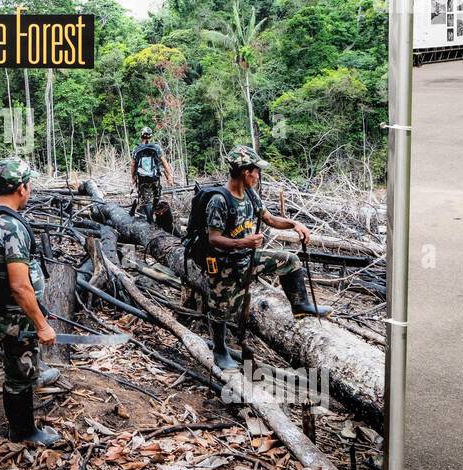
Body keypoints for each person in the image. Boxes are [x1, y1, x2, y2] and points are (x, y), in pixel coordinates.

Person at [190, 146, 330, 370]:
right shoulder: (219, 200)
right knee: (220, 310)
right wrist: (243, 242)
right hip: (224, 266)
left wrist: (295, 224)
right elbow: (214, 239)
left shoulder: (250, 194)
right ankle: (220, 349)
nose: (258, 176)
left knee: (289, 261)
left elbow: (270, 219)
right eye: (256, 171)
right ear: (246, 172)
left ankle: (301, 305)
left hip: (249, 257)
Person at [0, 157, 61, 446]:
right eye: (29, 186)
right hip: (14, 314)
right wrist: (42, 325)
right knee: (17, 375)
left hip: (2, 308)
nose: (29, 192)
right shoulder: (9, 226)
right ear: (21, 188)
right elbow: (19, 285)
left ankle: (34, 372)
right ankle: (23, 431)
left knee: (22, 360)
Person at [131, 126, 174, 223]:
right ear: (150, 137)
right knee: (156, 196)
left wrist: (133, 177)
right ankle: (153, 213)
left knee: (146, 201)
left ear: (141, 136)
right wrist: (169, 176)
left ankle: (150, 220)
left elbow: (133, 164)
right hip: (155, 178)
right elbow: (164, 162)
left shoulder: (136, 148)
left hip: (142, 179)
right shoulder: (156, 147)